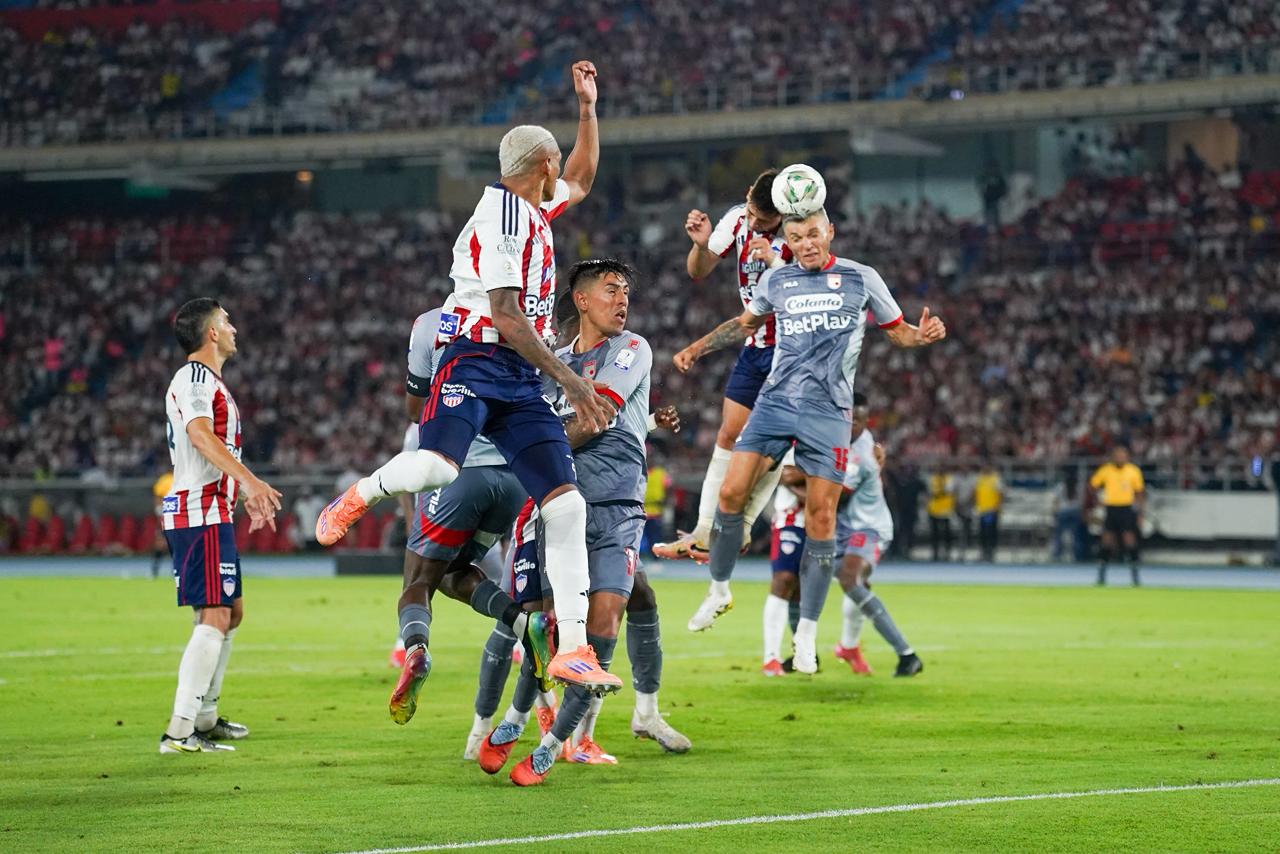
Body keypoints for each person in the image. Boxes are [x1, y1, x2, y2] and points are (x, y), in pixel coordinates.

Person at [314, 61, 620, 696]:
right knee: (436, 469)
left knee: (566, 505)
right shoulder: (504, 217)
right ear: (540, 168)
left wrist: (587, 109)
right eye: (556, 162)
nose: (562, 171)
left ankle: (573, 648)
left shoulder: (534, 206)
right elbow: (506, 315)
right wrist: (575, 380)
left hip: (518, 374)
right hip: (475, 359)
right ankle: (362, 492)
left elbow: (584, 179)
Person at [674, 206, 947, 673]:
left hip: (829, 413)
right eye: (797, 237)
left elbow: (896, 331)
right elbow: (744, 325)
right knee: (731, 491)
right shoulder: (776, 281)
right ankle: (718, 592)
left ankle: (805, 635)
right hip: (776, 403)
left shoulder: (861, 278)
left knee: (821, 517)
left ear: (830, 232)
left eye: (814, 234)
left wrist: (922, 336)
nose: (807, 243)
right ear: (790, 240)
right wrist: (698, 347)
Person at [478, 259, 690, 786]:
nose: (623, 301)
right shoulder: (554, 363)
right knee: (548, 631)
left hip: (617, 510)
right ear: (582, 300)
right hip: (557, 508)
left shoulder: (632, 348)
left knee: (601, 628)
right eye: (612, 290)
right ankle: (509, 722)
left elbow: (594, 419)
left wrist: (528, 447)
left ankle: (552, 747)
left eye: (627, 292)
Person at [386, 307, 540, 726]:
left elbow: (415, 410)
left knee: (418, 582)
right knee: (455, 571)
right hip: (513, 478)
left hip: (456, 469)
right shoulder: (524, 321)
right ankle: (522, 621)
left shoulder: (430, 324)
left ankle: (415, 649)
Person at [158, 298, 282, 754]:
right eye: (227, 321)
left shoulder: (210, 382)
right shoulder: (192, 377)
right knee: (214, 614)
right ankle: (180, 730)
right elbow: (199, 434)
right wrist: (249, 484)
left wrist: (239, 495)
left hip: (214, 510)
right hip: (198, 510)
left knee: (232, 611)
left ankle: (206, 716)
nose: (233, 328)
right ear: (211, 333)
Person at [653, 170, 790, 562]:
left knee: (772, 446)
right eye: (752, 212)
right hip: (755, 345)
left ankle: (742, 529)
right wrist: (699, 246)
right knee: (728, 436)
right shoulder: (736, 219)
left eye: (764, 221)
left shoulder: (795, 237)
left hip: (791, 350)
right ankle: (701, 534)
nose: (755, 224)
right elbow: (699, 270)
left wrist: (777, 260)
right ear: (747, 195)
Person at [833, 394, 923, 678]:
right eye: (848, 418)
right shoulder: (840, 439)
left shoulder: (862, 456)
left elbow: (835, 496)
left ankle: (906, 655)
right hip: (847, 527)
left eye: (859, 421)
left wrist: (791, 480)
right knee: (854, 585)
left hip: (869, 527)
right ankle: (849, 646)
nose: (852, 425)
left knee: (849, 579)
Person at [761, 455, 805, 676]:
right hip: (790, 521)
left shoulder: (830, 437)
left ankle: (803, 652)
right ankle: (771, 658)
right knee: (783, 580)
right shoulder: (794, 437)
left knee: (801, 590)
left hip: (821, 524)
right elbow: (785, 473)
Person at [1090, 445, 1145, 586]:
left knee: (1129, 540)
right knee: (1107, 541)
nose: (1120, 457)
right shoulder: (1106, 470)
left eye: (1123, 455)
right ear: (1113, 457)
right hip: (1111, 508)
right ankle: (1101, 574)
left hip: (1126, 509)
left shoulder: (1133, 471)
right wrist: (1097, 501)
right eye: (1117, 455)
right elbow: (1092, 485)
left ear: (1127, 457)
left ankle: (1135, 575)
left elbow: (1139, 493)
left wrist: (1139, 512)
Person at [974, 462, 1003, 562]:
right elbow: (975, 493)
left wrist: (997, 507)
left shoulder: (996, 478)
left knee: (991, 532)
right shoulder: (979, 479)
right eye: (983, 466)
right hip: (982, 510)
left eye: (987, 466)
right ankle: (983, 552)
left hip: (992, 510)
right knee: (982, 533)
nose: (985, 468)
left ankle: (991, 552)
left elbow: (1001, 493)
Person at [927, 469, 955, 561]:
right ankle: (935, 552)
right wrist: (939, 492)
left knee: (947, 533)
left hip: (946, 510)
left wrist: (938, 493)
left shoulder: (949, 479)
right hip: (934, 509)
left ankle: (947, 552)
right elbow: (930, 492)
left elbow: (947, 491)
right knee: (935, 533)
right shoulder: (933, 479)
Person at [150, 469, 173, 577]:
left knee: (178, 545)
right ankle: (155, 569)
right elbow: (158, 497)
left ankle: (177, 570)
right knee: (160, 543)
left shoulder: (185, 478)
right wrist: (160, 512)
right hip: (166, 517)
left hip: (181, 518)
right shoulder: (165, 480)